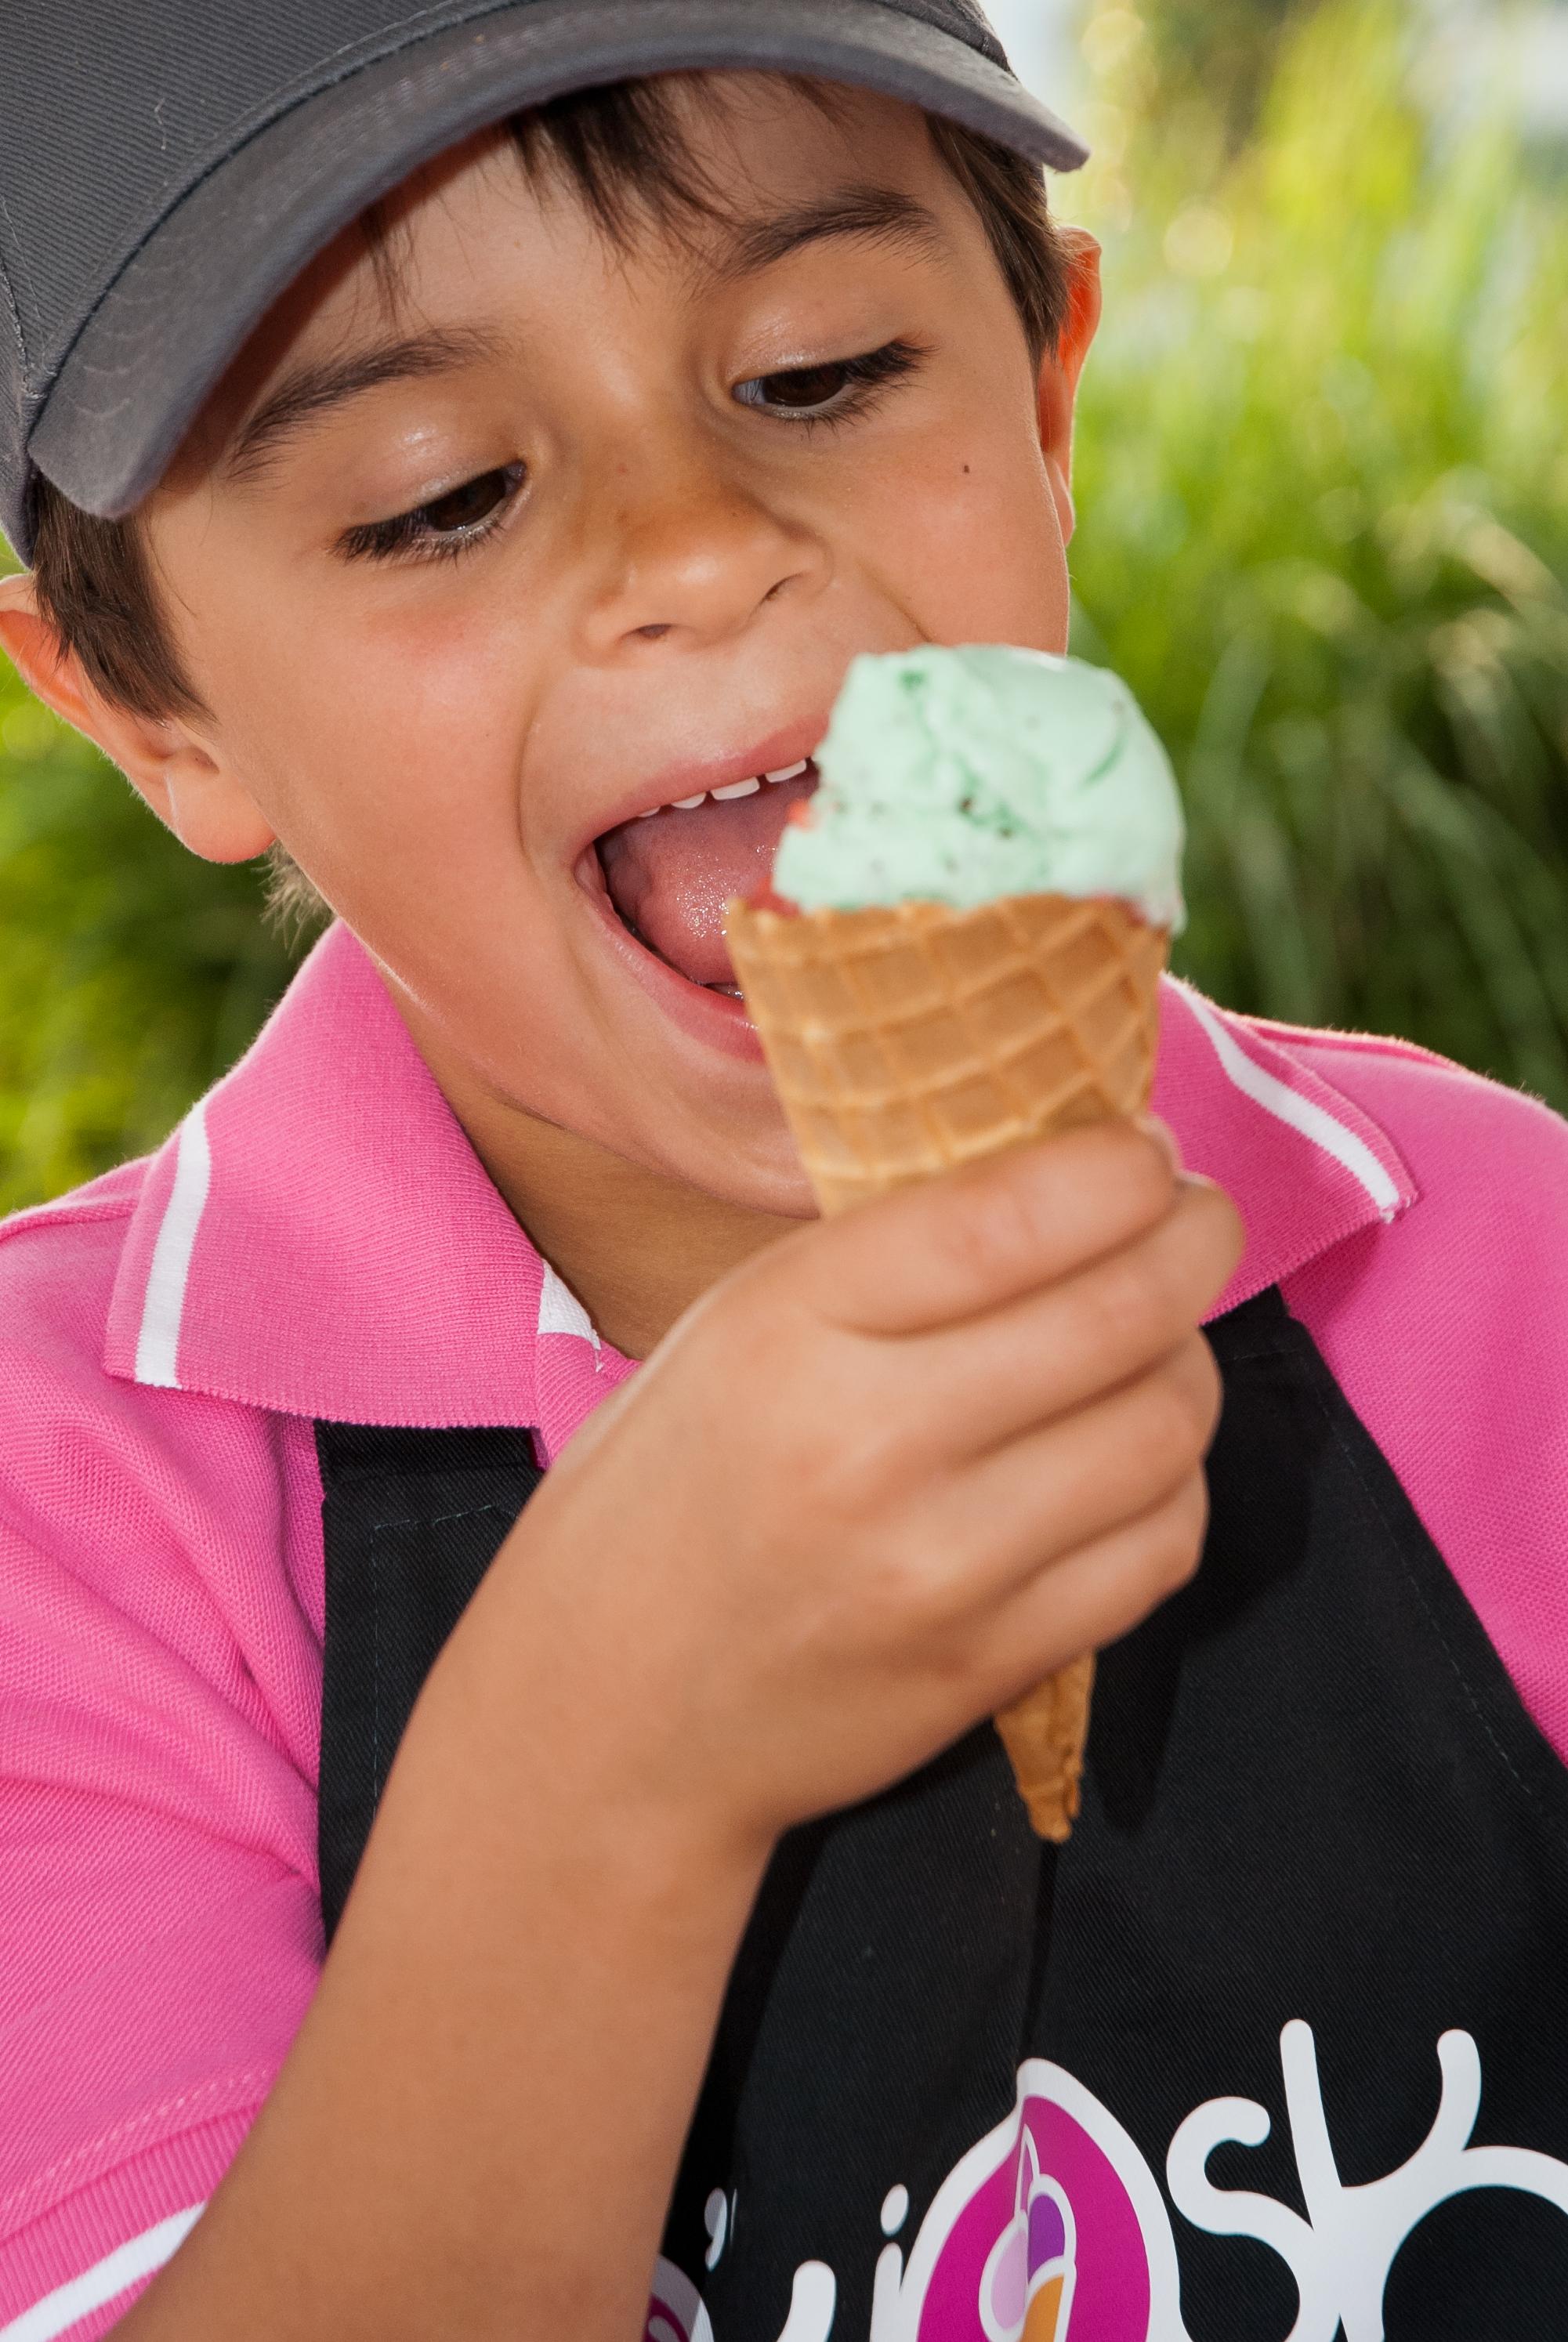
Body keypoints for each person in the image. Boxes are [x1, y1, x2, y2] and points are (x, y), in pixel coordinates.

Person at [1, 4, 1566, 2337]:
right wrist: (601, 1760)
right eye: (440, 493)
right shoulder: (69, 1516)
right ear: (153, 713)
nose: (699, 548)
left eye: (821, 370)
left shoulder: (1499, 1267)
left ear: (1044, 392)